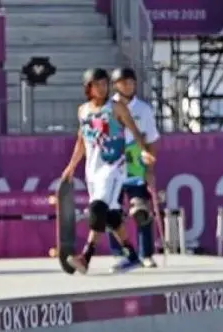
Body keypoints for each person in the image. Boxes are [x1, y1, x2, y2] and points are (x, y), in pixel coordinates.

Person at [60, 67, 155, 274]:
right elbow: (81, 141)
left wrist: (144, 153)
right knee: (111, 216)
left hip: (113, 168)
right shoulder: (83, 110)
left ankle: (85, 257)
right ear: (88, 88)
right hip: (92, 169)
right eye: (97, 85)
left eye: (105, 84)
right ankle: (132, 256)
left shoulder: (116, 108)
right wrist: (71, 166)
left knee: (97, 210)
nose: (102, 88)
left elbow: (135, 131)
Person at [106, 67, 161, 269]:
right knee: (112, 210)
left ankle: (146, 253)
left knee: (141, 209)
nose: (128, 86)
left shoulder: (143, 109)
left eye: (131, 82)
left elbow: (152, 139)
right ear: (115, 85)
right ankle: (120, 252)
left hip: (135, 161)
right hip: (113, 162)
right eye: (123, 82)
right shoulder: (107, 108)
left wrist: (150, 167)